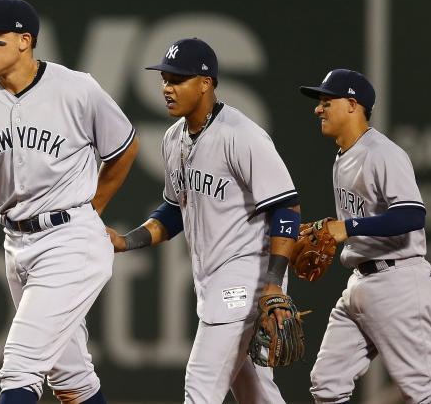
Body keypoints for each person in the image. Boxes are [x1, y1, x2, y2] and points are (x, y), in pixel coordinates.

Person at [0, 0, 138, 404]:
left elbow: (124, 148)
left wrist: (92, 207)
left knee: (19, 366)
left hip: (71, 241)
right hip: (17, 244)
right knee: (71, 380)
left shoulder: (77, 89)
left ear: (24, 41)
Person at [107, 37, 300, 404]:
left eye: (177, 80)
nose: (166, 88)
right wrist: (127, 241)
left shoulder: (242, 136)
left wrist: (274, 283)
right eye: (164, 79)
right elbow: (174, 210)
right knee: (255, 392)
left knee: (201, 383)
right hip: (213, 278)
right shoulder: (173, 138)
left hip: (247, 275)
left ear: (205, 83)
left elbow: (286, 207)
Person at [299, 69, 431, 403]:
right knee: (327, 384)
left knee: (423, 393)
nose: (317, 109)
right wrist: (333, 227)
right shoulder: (343, 156)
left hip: (397, 282)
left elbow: (412, 215)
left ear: (353, 104)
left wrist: (348, 227)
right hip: (362, 283)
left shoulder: (382, 152)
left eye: (326, 102)